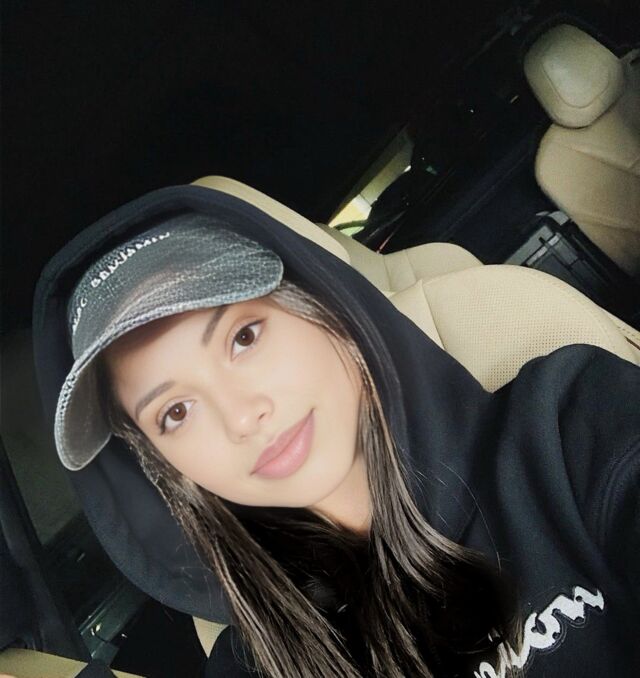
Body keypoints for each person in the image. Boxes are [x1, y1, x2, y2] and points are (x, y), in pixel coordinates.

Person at [33, 184, 640, 677]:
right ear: (164, 465)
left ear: (328, 310)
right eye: (175, 412)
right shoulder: (260, 663)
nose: (241, 418)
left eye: (244, 337)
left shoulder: (568, 424)